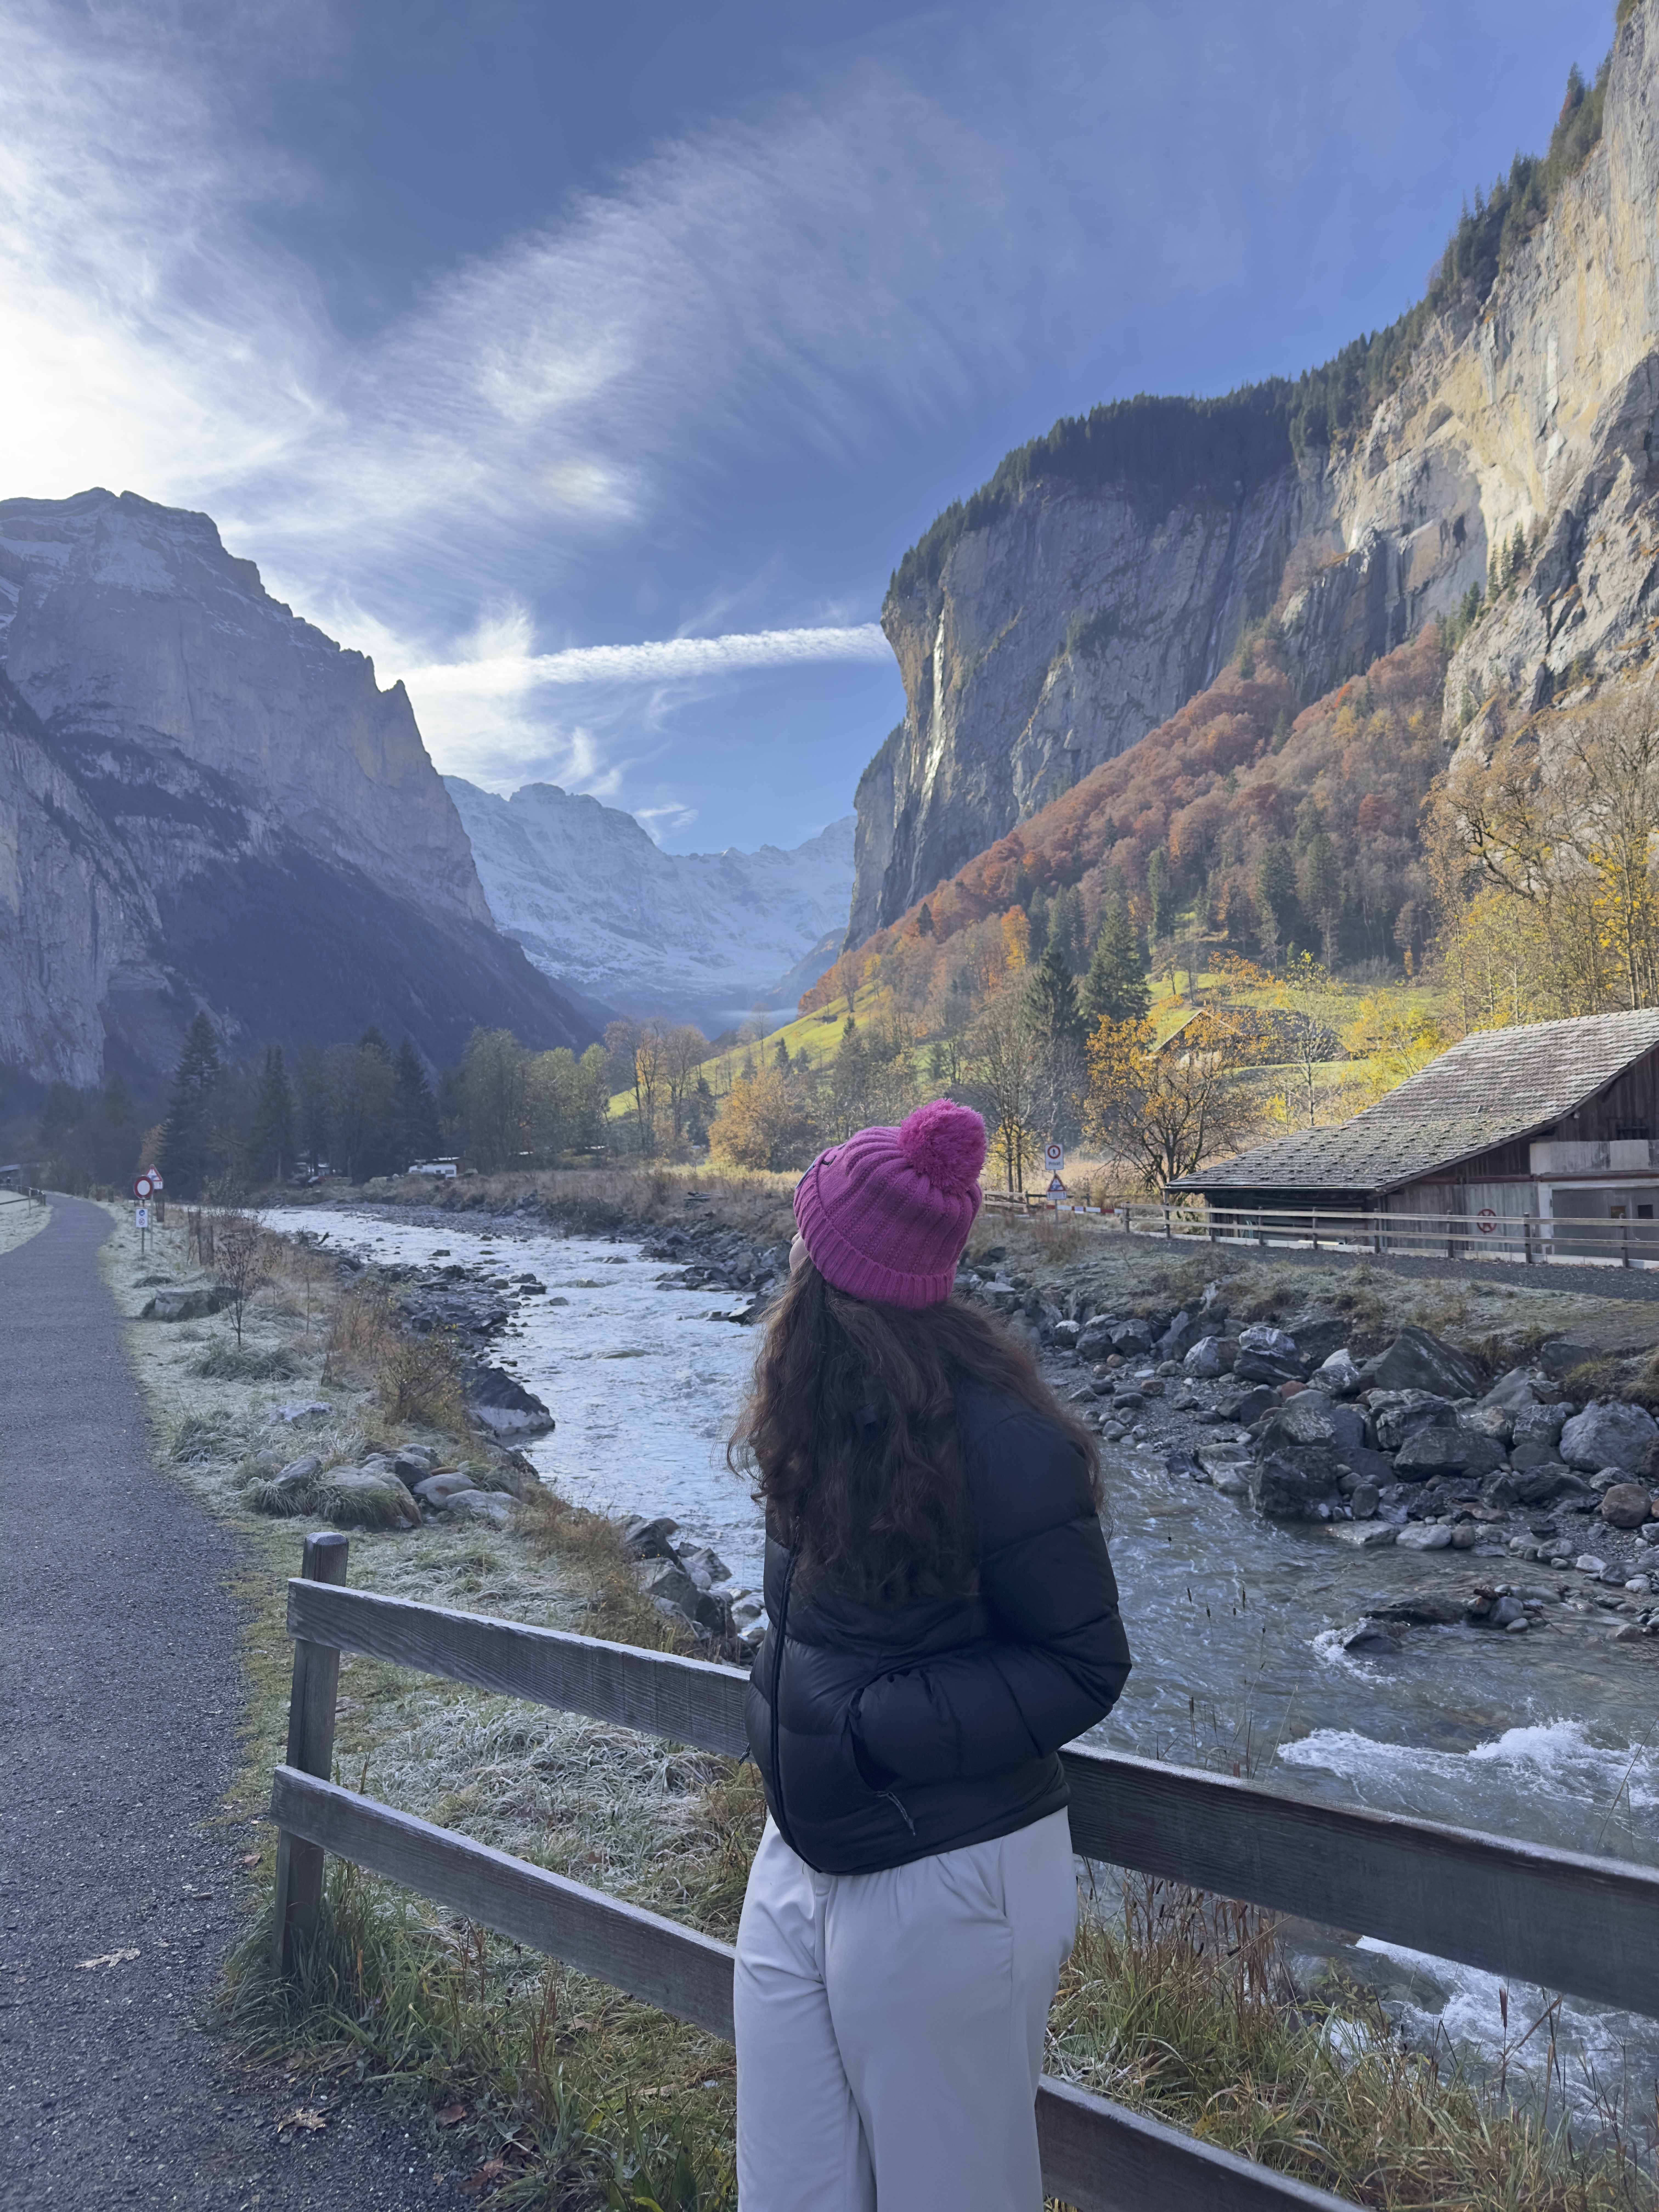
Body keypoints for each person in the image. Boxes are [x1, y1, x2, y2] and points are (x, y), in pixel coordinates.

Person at [729, 1098, 1132, 2211]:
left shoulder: (1006, 1442)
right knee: (789, 2196)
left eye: (807, 1232)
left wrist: (869, 1728)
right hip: (804, 1851)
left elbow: (1086, 1665)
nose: (792, 1246)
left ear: (841, 1273)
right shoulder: (812, 1410)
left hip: (953, 1879)